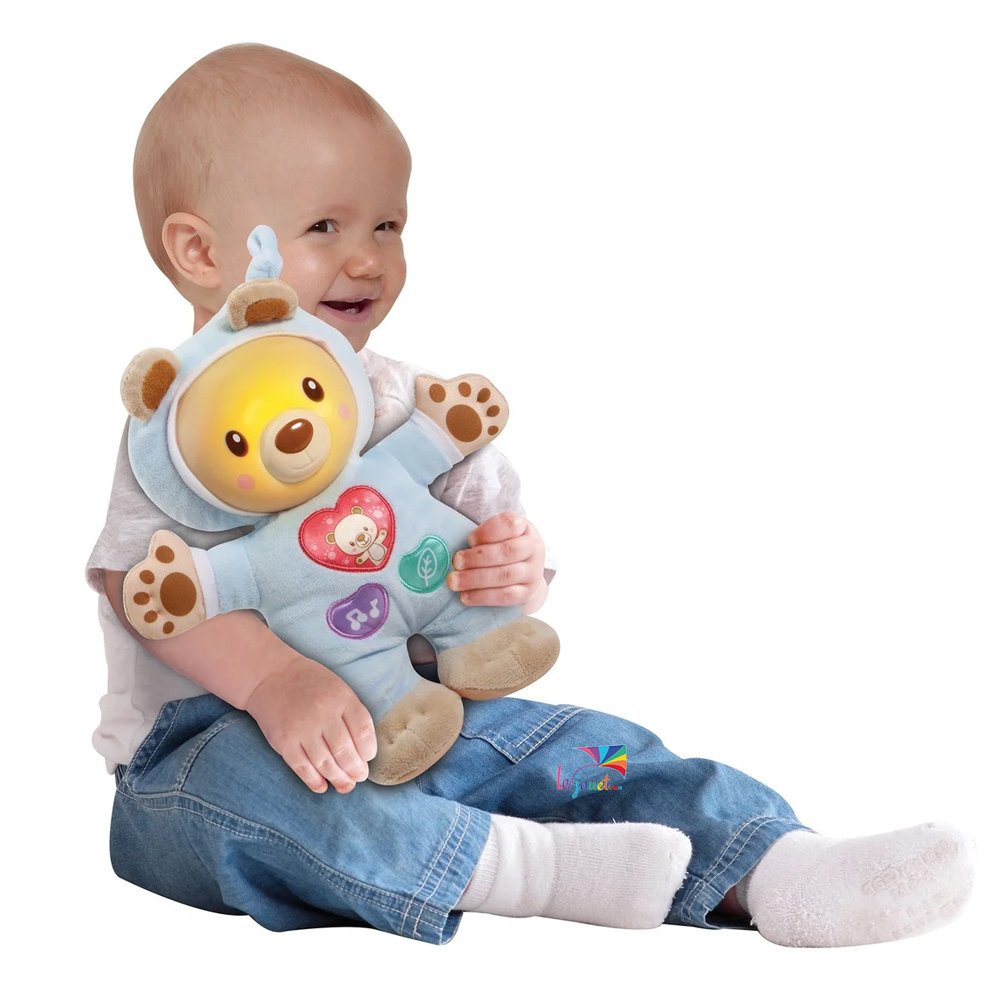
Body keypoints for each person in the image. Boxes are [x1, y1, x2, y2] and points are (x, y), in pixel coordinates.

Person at [87, 43, 974, 947]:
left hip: (421, 719)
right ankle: (525, 867)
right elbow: (140, 587)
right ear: (201, 251)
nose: (368, 260)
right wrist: (275, 681)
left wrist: (507, 569)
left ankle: (773, 864)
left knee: (577, 748)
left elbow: (489, 554)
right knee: (249, 797)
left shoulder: (406, 405)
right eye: (325, 227)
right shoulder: (179, 427)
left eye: (388, 226)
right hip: (202, 750)